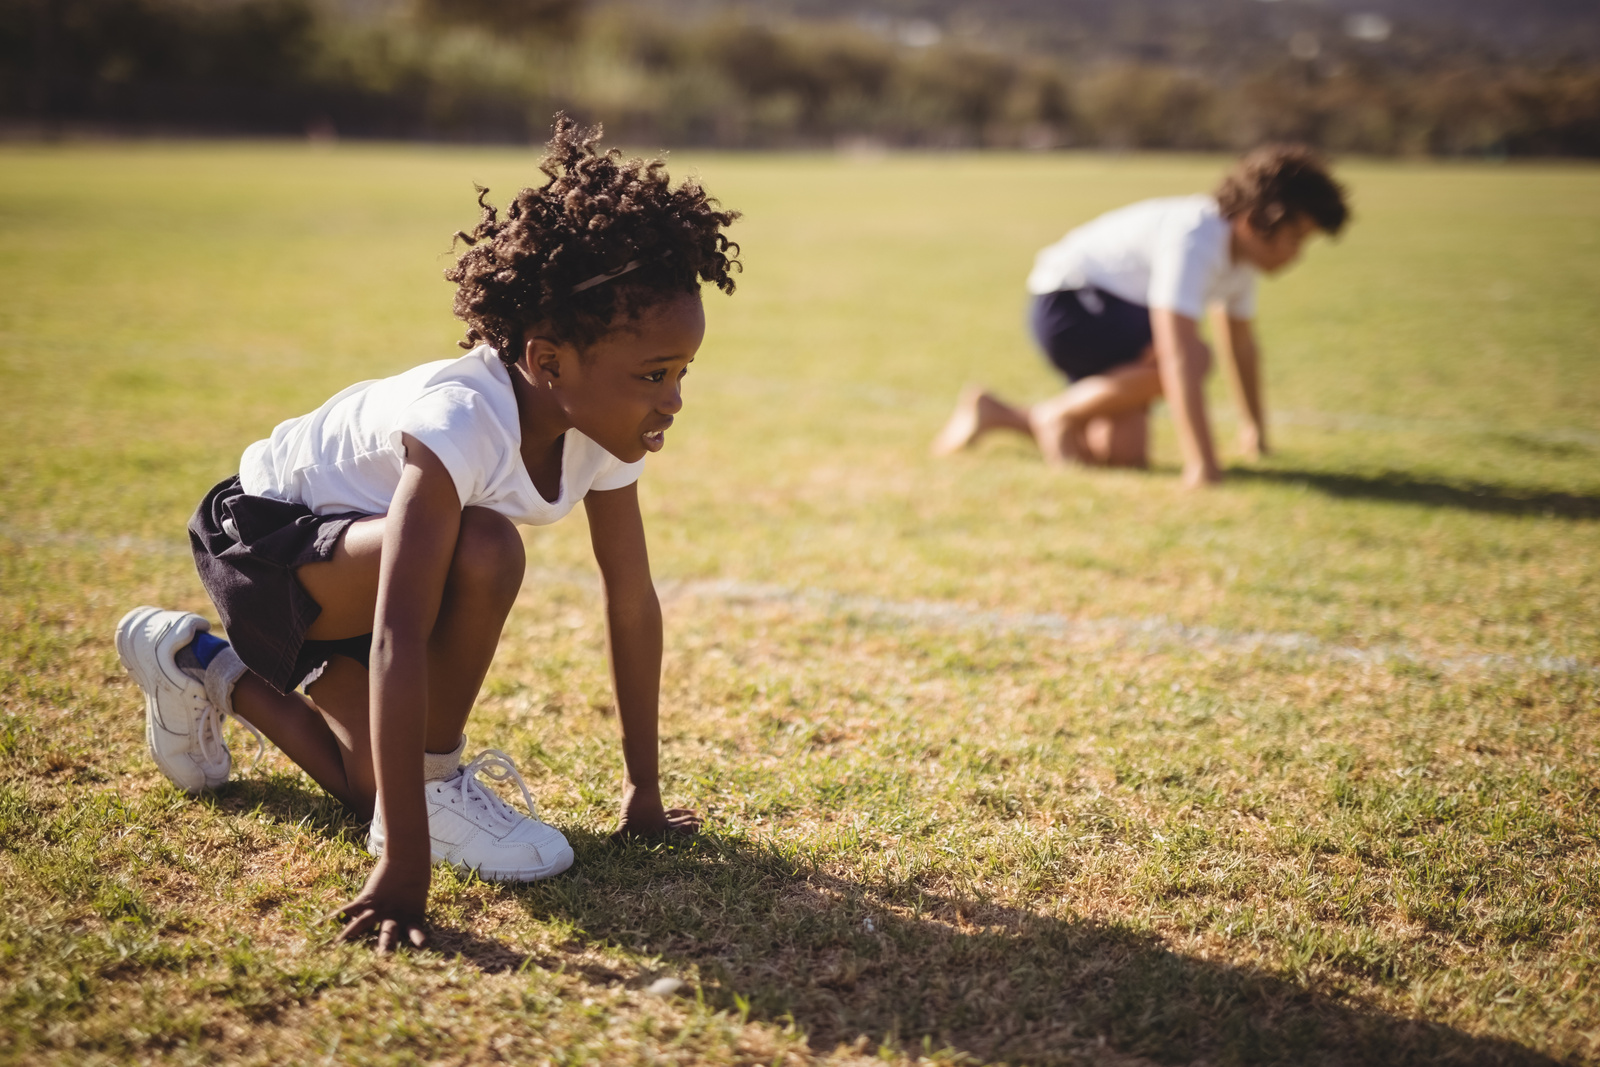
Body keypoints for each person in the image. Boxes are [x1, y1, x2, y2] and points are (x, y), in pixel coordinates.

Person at [112, 115, 740, 951]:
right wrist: (406, 863)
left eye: (682, 374)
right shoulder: (461, 421)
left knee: (372, 787)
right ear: (549, 362)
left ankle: (197, 661)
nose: (673, 401)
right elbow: (402, 633)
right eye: (653, 375)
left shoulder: (603, 428)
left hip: (363, 564)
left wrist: (644, 794)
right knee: (485, 546)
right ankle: (434, 785)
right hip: (266, 544)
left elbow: (631, 601)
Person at [931, 144, 1348, 487]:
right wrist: (1203, 465)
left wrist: (1255, 431)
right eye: (1295, 238)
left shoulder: (1242, 262)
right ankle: (1057, 415)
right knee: (1196, 357)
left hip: (1123, 318)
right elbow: (1178, 354)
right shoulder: (1195, 237)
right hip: (1074, 305)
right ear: (1254, 222)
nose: (1297, 255)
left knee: (1121, 457)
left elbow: (1241, 345)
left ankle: (998, 414)